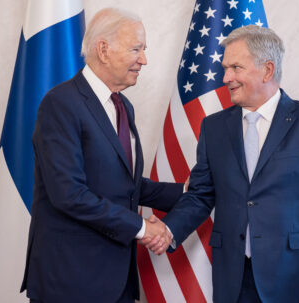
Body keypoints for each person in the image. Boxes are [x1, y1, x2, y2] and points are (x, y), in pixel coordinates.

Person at [151, 25, 299, 303]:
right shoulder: (213, 127)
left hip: (292, 275)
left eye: (235, 67)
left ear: (267, 70)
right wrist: (168, 229)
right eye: (225, 68)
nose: (225, 77)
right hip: (232, 277)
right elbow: (200, 195)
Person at [20, 8, 182, 303]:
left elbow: (124, 184)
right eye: (136, 48)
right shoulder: (61, 104)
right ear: (104, 50)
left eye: (143, 50)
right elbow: (68, 194)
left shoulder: (123, 106)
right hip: (70, 280)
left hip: (116, 279)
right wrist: (143, 228)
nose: (144, 59)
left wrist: (189, 192)